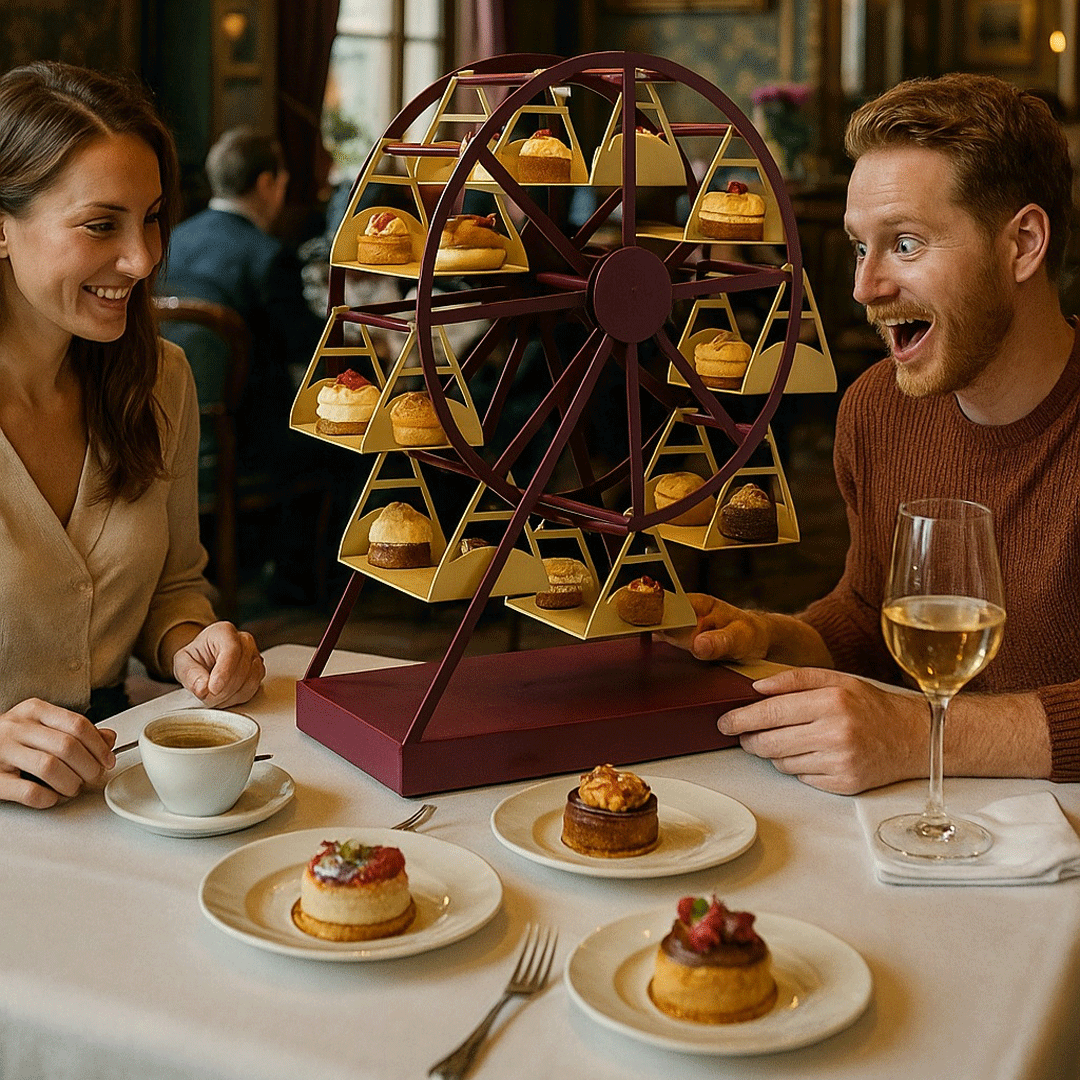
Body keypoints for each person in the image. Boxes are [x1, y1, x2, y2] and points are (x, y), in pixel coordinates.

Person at [668, 73, 1080, 794]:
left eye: (907, 244)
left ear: (1022, 244)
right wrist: (774, 635)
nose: (865, 287)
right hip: (927, 825)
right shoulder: (877, 409)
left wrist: (919, 735)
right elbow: (871, 614)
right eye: (862, 247)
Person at [0, 62, 264, 809]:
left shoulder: (160, 382)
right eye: (100, 224)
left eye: (151, 217)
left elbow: (173, 584)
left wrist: (191, 642)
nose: (144, 259)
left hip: (121, 784)